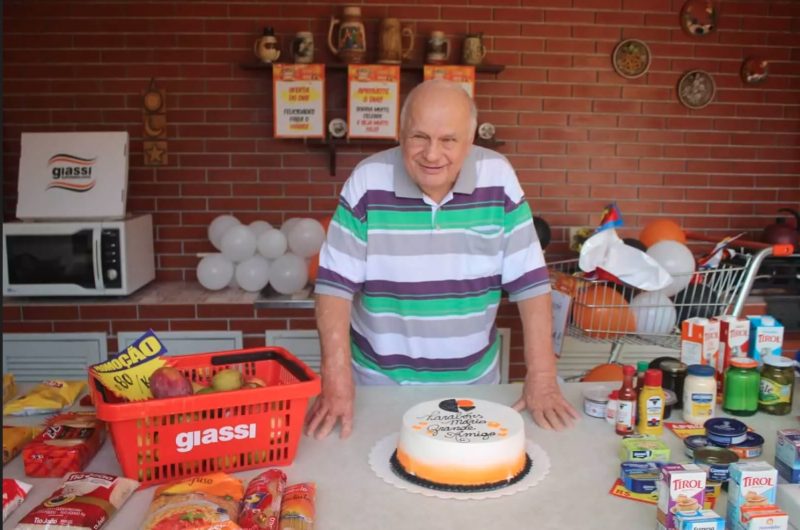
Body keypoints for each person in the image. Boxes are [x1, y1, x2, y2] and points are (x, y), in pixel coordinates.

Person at [305, 80, 579, 439]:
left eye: (448, 140)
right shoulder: (367, 181)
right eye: (419, 137)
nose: (432, 155)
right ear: (401, 134)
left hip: (473, 386)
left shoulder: (498, 178)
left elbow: (529, 284)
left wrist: (542, 377)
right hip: (377, 386)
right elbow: (334, 287)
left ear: (470, 141)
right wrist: (336, 378)